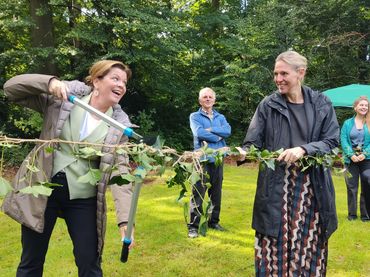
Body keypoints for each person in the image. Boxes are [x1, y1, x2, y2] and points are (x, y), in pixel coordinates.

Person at [1, 60, 135, 277]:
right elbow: (11, 89)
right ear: (96, 81)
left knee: (89, 263)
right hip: (43, 189)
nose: (121, 85)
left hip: (83, 199)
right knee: (31, 261)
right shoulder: (62, 100)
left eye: (124, 82)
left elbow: (121, 174)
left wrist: (125, 222)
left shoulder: (119, 126)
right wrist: (49, 83)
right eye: (115, 78)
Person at [237, 51, 339, 276]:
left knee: (309, 247)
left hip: (312, 187)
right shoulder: (268, 104)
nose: (278, 78)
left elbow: (332, 141)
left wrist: (304, 149)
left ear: (300, 73)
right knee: (273, 249)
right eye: (275, 73)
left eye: (284, 73)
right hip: (275, 187)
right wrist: (243, 153)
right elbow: (252, 142)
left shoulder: (322, 103)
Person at [187, 87, 231, 238]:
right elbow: (199, 133)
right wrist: (218, 136)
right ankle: (193, 227)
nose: (207, 99)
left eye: (210, 97)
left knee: (216, 194)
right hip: (202, 160)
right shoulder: (194, 116)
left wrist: (211, 129)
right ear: (200, 100)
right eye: (204, 97)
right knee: (198, 193)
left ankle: (214, 222)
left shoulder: (220, 117)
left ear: (214, 100)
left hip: (218, 160)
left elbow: (227, 131)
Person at [340, 96, 370, 221]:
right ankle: (352, 215)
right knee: (351, 187)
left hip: (367, 160)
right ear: (355, 107)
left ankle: (366, 215)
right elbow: (343, 139)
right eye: (361, 105)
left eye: (366, 105)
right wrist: (351, 154)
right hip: (350, 160)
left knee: (367, 185)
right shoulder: (347, 123)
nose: (364, 107)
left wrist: (365, 153)